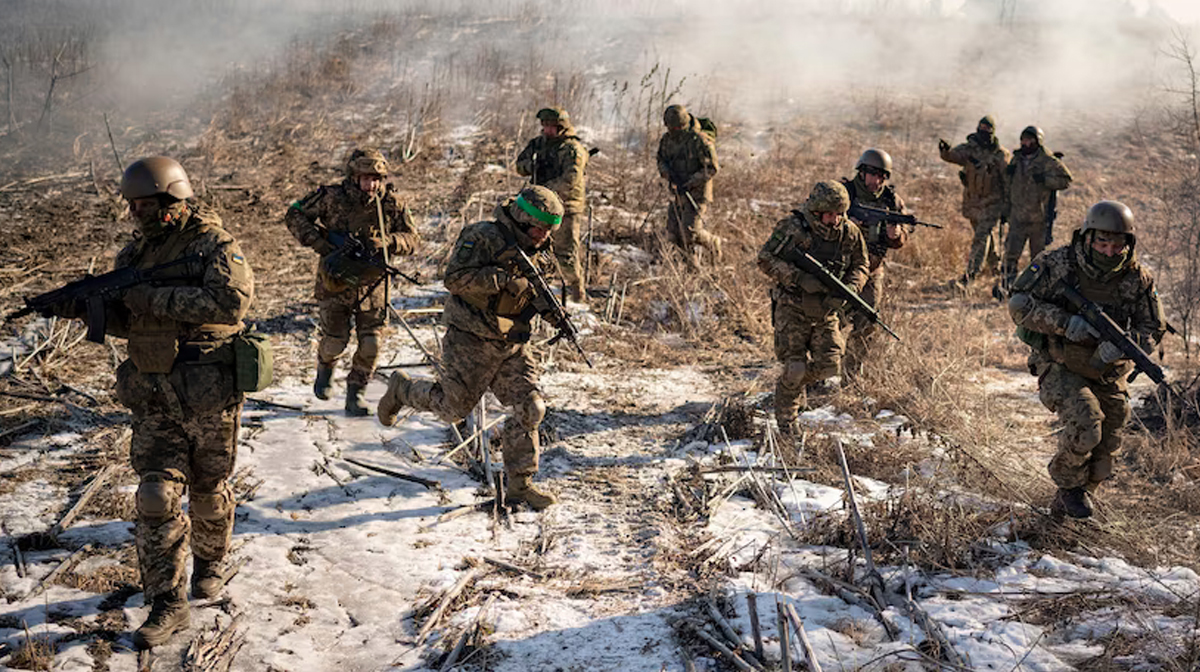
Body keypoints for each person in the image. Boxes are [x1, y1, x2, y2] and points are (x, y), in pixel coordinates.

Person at [46, 157, 255, 647]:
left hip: (208, 391)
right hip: (154, 394)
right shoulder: (132, 256)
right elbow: (129, 320)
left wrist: (152, 300)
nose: (138, 213)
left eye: (147, 204)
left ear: (172, 199)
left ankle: (211, 563)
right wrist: (83, 309)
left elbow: (230, 303)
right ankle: (167, 603)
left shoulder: (214, 244)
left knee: (208, 495)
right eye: (133, 205)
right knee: (156, 496)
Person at [377, 186, 565, 510]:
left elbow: (534, 292)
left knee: (531, 408)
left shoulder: (541, 250)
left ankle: (520, 484)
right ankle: (403, 389)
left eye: (549, 229)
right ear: (522, 219)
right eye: (539, 227)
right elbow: (454, 279)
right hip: (470, 340)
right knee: (452, 410)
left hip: (512, 344)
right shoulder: (482, 236)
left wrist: (551, 312)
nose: (543, 235)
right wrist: (501, 279)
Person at [1008, 201, 1165, 518]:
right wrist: (1064, 323)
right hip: (1060, 363)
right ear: (1088, 236)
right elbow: (1019, 305)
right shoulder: (1059, 264)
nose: (1109, 252)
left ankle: (1069, 506)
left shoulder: (1138, 278)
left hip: (1108, 372)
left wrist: (1129, 345)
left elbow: (1153, 326)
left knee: (1106, 452)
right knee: (1086, 424)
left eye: (1117, 245)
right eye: (1102, 243)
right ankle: (1067, 486)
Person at [285, 149, 419, 416]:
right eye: (365, 178)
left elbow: (413, 239)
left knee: (372, 345)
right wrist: (320, 243)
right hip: (336, 282)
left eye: (376, 178)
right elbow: (294, 214)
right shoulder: (331, 197)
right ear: (353, 176)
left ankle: (356, 392)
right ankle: (325, 367)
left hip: (373, 286)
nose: (371, 185)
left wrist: (389, 241)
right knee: (335, 340)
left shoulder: (392, 204)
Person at [757, 181, 868, 443]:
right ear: (817, 211)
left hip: (826, 311)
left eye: (840, 214)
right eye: (830, 214)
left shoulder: (849, 232)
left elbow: (861, 263)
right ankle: (787, 423)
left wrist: (850, 288)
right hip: (792, 308)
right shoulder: (793, 227)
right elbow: (765, 258)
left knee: (830, 366)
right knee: (795, 366)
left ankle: (788, 387)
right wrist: (797, 277)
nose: (835, 219)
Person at [840, 148, 907, 377]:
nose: (877, 181)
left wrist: (895, 234)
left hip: (873, 269)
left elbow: (902, 237)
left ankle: (851, 376)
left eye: (882, 176)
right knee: (831, 320)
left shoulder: (891, 201)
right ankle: (817, 372)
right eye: (873, 175)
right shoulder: (845, 194)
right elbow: (821, 222)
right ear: (862, 172)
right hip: (843, 269)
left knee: (867, 322)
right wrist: (848, 225)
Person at [515, 107, 589, 303]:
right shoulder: (538, 144)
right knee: (534, 248)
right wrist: (532, 166)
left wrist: (545, 192)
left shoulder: (572, 149)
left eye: (551, 126)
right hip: (538, 208)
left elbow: (570, 180)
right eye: (545, 125)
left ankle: (577, 294)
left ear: (562, 127)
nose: (547, 130)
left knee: (566, 253)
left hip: (567, 206)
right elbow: (519, 165)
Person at [938, 115, 1010, 286]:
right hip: (973, 202)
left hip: (993, 202)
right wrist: (945, 151)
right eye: (981, 127)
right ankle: (995, 266)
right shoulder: (970, 149)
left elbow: (1008, 180)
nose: (983, 131)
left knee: (981, 237)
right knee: (984, 234)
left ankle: (970, 275)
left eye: (987, 128)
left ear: (993, 131)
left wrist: (1008, 206)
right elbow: (953, 156)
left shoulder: (1000, 154)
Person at [999, 125, 1072, 293]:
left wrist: (1046, 180)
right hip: (1017, 217)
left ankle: (1037, 290)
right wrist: (1005, 210)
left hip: (1038, 220)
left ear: (1038, 141)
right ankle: (1006, 287)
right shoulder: (1017, 159)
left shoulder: (1047, 160)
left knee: (1038, 259)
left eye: (1030, 140)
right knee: (1010, 254)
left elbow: (1066, 180)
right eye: (1023, 140)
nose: (1026, 143)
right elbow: (1008, 187)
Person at [656, 103, 722, 264]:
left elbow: (712, 168)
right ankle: (692, 269)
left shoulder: (700, 140)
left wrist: (691, 181)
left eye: (676, 128)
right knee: (673, 233)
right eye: (670, 128)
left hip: (698, 192)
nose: (673, 131)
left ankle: (713, 242)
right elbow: (661, 159)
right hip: (677, 191)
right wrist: (667, 173)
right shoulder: (667, 140)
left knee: (690, 231)